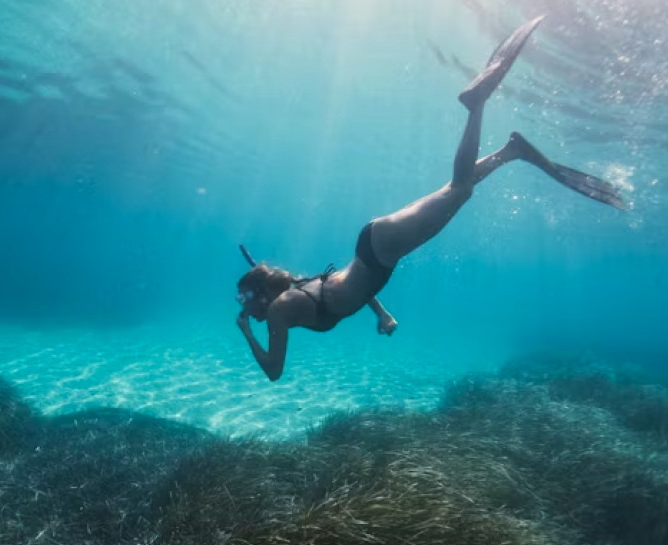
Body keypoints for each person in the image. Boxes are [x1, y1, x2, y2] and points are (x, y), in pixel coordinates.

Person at [236, 15, 627, 382]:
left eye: (244, 299)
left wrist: (246, 333)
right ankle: (511, 151)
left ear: (258, 295)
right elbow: (350, 291)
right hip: (375, 244)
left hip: (379, 251)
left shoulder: (279, 310)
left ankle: (476, 105)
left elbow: (274, 371)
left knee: (459, 191)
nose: (244, 308)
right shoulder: (293, 292)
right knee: (456, 191)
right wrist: (383, 315)